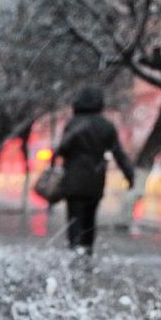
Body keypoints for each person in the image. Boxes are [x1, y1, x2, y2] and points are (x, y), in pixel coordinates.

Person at [52, 86, 134, 255]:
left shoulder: (74, 124)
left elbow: (62, 149)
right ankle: (87, 249)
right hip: (95, 178)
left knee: (75, 216)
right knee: (90, 216)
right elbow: (118, 153)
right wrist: (129, 174)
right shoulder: (106, 126)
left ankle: (75, 248)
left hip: (74, 177)